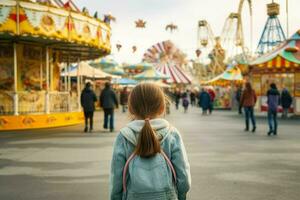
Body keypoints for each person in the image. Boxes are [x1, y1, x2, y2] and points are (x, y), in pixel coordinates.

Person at [110, 83, 191, 200]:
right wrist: (181, 196)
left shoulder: (123, 136)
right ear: (163, 108)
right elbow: (183, 174)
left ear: (131, 108)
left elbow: (116, 177)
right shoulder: (172, 134)